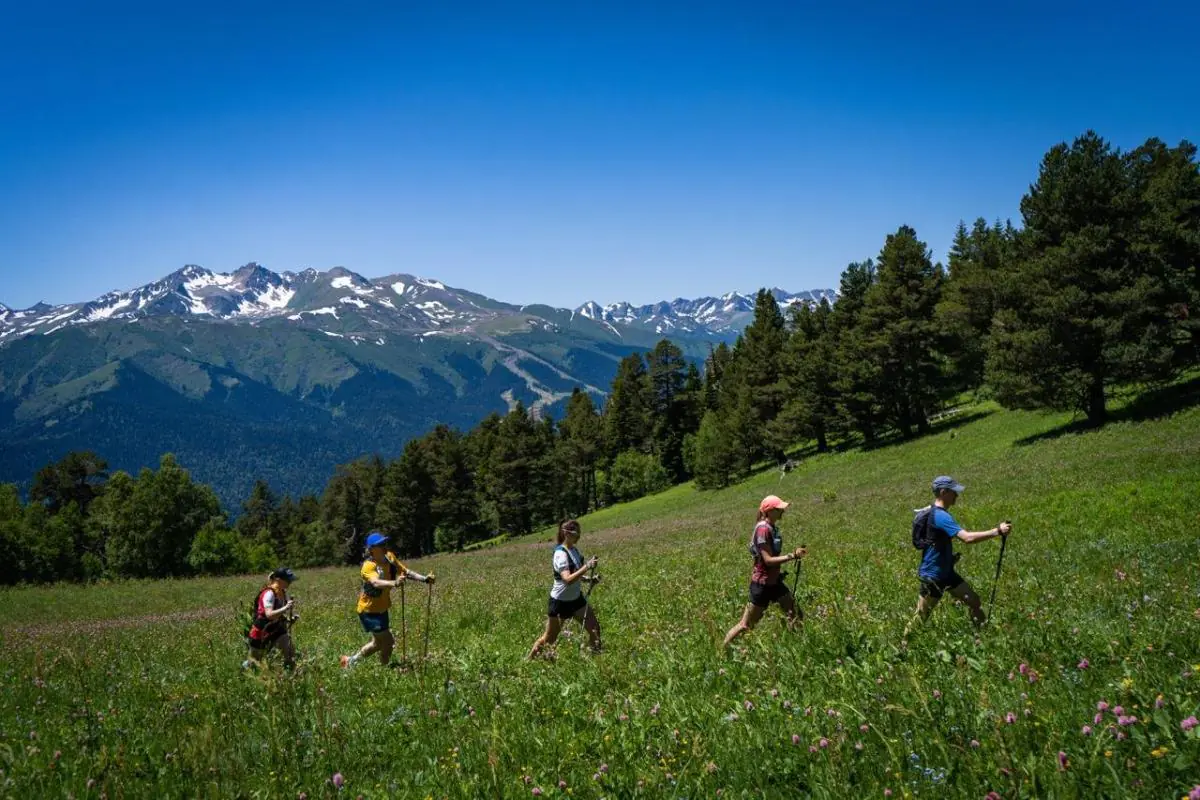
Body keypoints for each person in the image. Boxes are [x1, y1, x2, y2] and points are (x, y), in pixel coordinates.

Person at [905, 475, 1012, 634]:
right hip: (933, 576)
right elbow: (967, 538)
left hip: (946, 573)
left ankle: (982, 637)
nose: (957, 495)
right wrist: (997, 531)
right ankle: (903, 646)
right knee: (921, 617)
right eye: (953, 492)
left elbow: (936, 542)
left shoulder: (937, 513)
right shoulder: (941, 516)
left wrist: (948, 558)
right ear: (943, 492)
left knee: (974, 601)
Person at [340, 532, 434, 668]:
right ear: (372, 549)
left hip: (382, 608)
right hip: (369, 611)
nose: (384, 545)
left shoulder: (389, 557)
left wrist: (424, 579)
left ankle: (350, 662)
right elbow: (375, 582)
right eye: (380, 544)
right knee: (388, 642)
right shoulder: (369, 565)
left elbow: (405, 572)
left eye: (384, 542)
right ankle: (386, 669)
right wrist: (394, 583)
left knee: (377, 643)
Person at [723, 495, 806, 648]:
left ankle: (797, 646)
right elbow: (767, 560)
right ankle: (723, 652)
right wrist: (792, 556)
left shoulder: (771, 527)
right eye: (779, 509)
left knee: (795, 613)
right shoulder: (763, 530)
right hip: (762, 585)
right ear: (769, 511)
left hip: (774, 582)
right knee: (746, 625)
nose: (782, 511)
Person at [528, 519, 602, 659]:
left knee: (594, 628)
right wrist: (587, 566)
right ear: (566, 533)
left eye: (579, 532)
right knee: (549, 639)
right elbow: (567, 579)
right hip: (560, 602)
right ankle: (528, 661)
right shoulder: (560, 554)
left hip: (576, 599)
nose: (578, 535)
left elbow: (576, 574)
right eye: (575, 532)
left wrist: (589, 579)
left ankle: (597, 658)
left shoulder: (574, 550)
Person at [244, 567, 298, 671]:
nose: (290, 582)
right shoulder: (269, 593)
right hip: (261, 632)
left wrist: (289, 619)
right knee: (254, 663)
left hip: (276, 629)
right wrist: (286, 608)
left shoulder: (283, 592)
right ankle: (243, 672)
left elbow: (278, 614)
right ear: (278, 580)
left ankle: (292, 674)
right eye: (288, 580)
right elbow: (269, 615)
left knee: (290, 652)